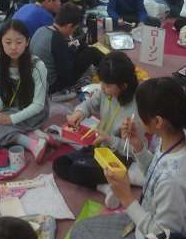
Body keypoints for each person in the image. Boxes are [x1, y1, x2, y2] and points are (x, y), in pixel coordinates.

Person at [65, 77, 186, 239]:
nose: (136, 116)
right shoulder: (176, 137)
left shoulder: (173, 181)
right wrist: (138, 146)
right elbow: (155, 171)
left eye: (140, 112)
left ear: (157, 122)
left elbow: (163, 238)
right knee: (78, 230)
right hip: (148, 217)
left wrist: (126, 198)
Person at [53, 52, 141, 208]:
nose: (103, 88)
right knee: (60, 164)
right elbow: (90, 104)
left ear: (123, 86)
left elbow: (134, 149)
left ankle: (129, 175)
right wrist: (79, 113)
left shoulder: (136, 109)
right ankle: (106, 187)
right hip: (100, 147)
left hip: (121, 155)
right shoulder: (107, 91)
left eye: (107, 86)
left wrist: (110, 139)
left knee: (78, 171)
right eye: (102, 84)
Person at [0, 20, 49, 162]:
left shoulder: (38, 66)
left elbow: (38, 105)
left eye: (19, 42)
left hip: (34, 112)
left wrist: (10, 120)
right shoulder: (0, 63)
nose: (13, 47)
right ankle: (30, 134)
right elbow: (3, 96)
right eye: (8, 42)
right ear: (1, 42)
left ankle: (30, 144)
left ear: (27, 42)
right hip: (11, 107)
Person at [30, 3, 103, 95]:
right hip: (52, 85)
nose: (72, 33)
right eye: (74, 29)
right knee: (91, 52)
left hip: (36, 79)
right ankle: (111, 69)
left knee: (79, 44)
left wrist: (75, 46)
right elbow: (66, 74)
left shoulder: (42, 29)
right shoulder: (57, 39)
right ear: (69, 26)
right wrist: (74, 50)